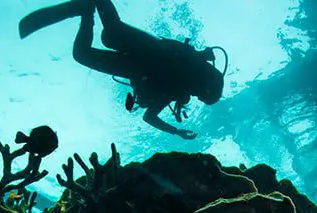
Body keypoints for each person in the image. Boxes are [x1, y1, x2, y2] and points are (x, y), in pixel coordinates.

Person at [20, 0, 226, 139]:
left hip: (134, 66)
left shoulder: (176, 90)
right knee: (110, 31)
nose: (197, 97)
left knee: (88, 49)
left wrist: (176, 131)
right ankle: (87, 8)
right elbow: (150, 116)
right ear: (206, 87)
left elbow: (148, 116)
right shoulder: (185, 74)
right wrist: (176, 131)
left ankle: (85, 11)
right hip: (151, 51)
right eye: (202, 96)